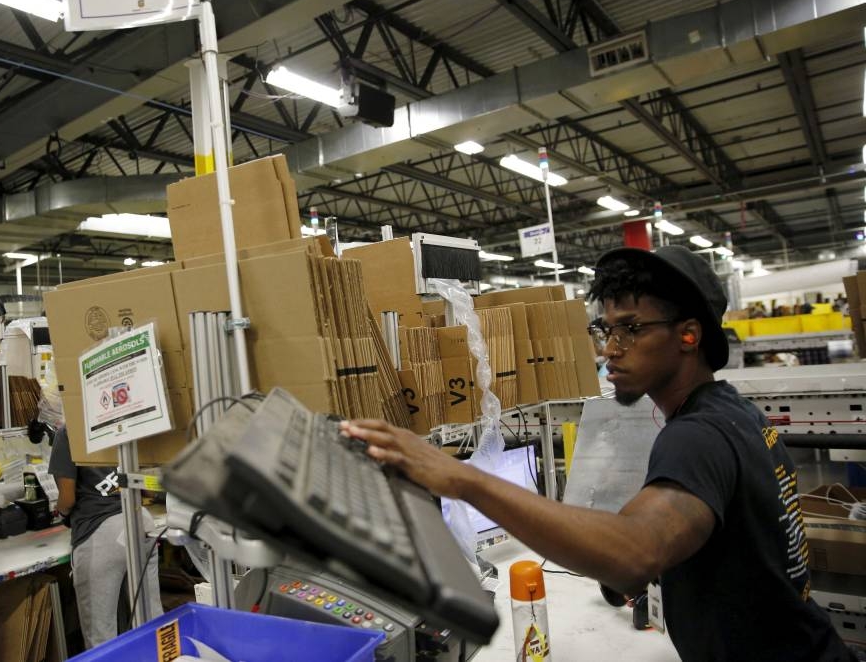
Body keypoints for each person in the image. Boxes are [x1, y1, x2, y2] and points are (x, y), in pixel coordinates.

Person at [342, 245, 855, 662]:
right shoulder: (737, 414)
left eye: (631, 328)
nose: (610, 347)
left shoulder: (697, 436)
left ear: (689, 335)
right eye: (605, 329)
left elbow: (636, 552)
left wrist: (464, 480)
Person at [48, 425, 163, 649]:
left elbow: (67, 498)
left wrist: (60, 512)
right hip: (140, 522)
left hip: (102, 533)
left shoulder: (69, 433)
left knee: (101, 637)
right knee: (152, 620)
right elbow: (146, 483)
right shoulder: (119, 421)